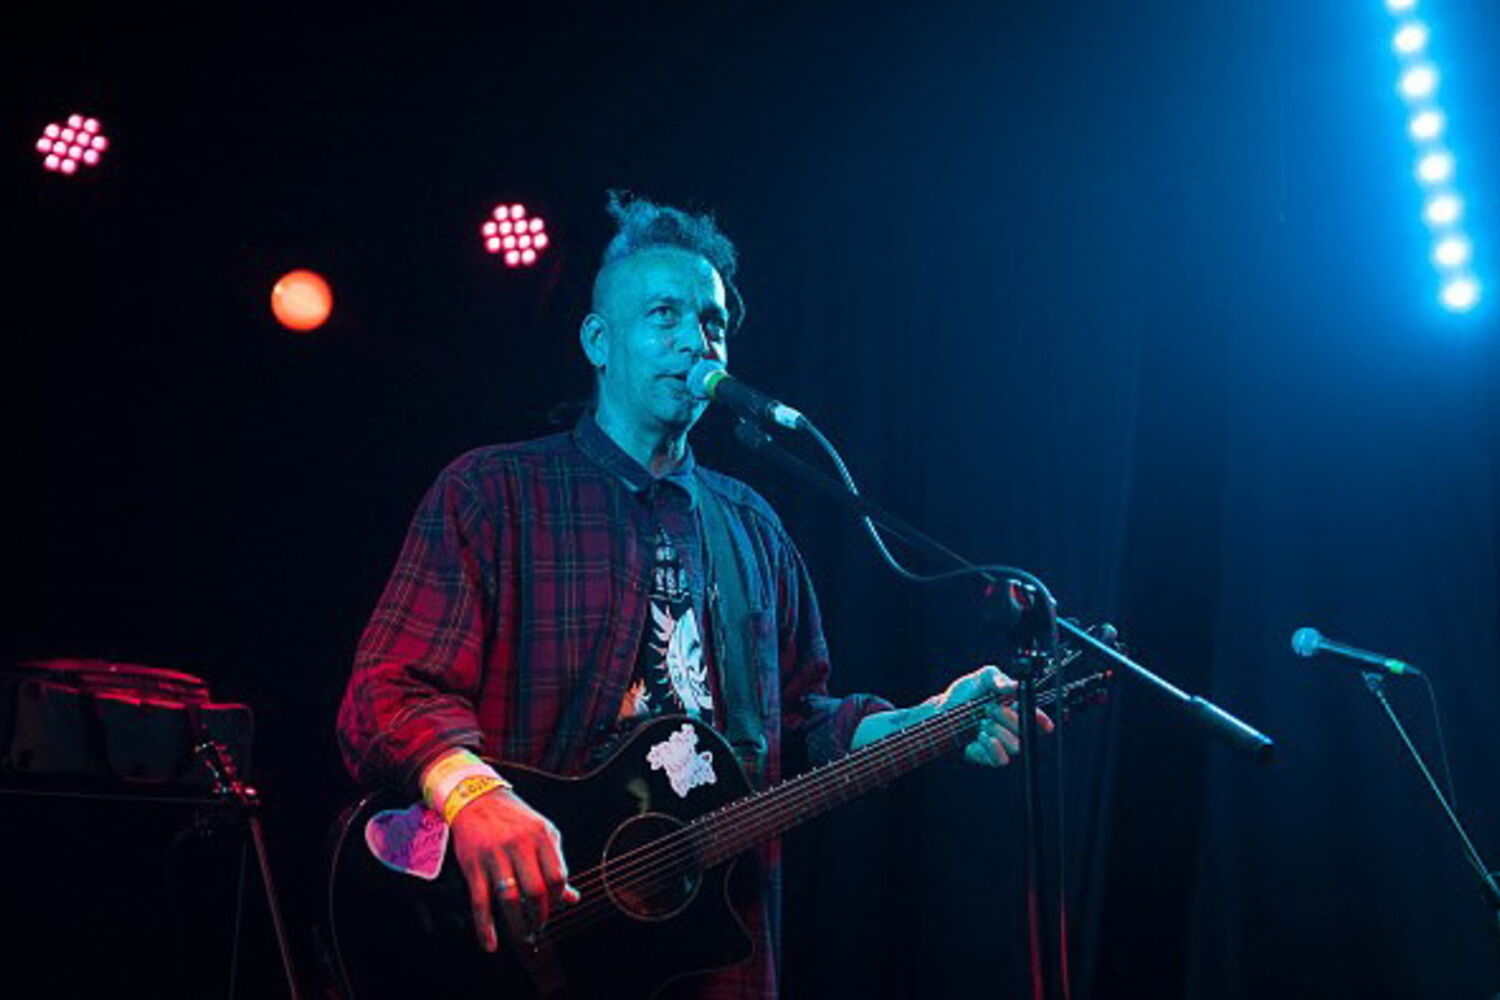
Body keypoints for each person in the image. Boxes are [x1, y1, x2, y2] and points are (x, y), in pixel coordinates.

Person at [336, 191, 1049, 998]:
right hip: (529, 942)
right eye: (663, 314)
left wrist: (930, 720)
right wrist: (474, 797)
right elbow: (387, 689)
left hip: (712, 951)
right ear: (598, 342)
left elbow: (798, 725)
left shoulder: (752, 527)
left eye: (711, 322)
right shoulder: (496, 492)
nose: (694, 340)